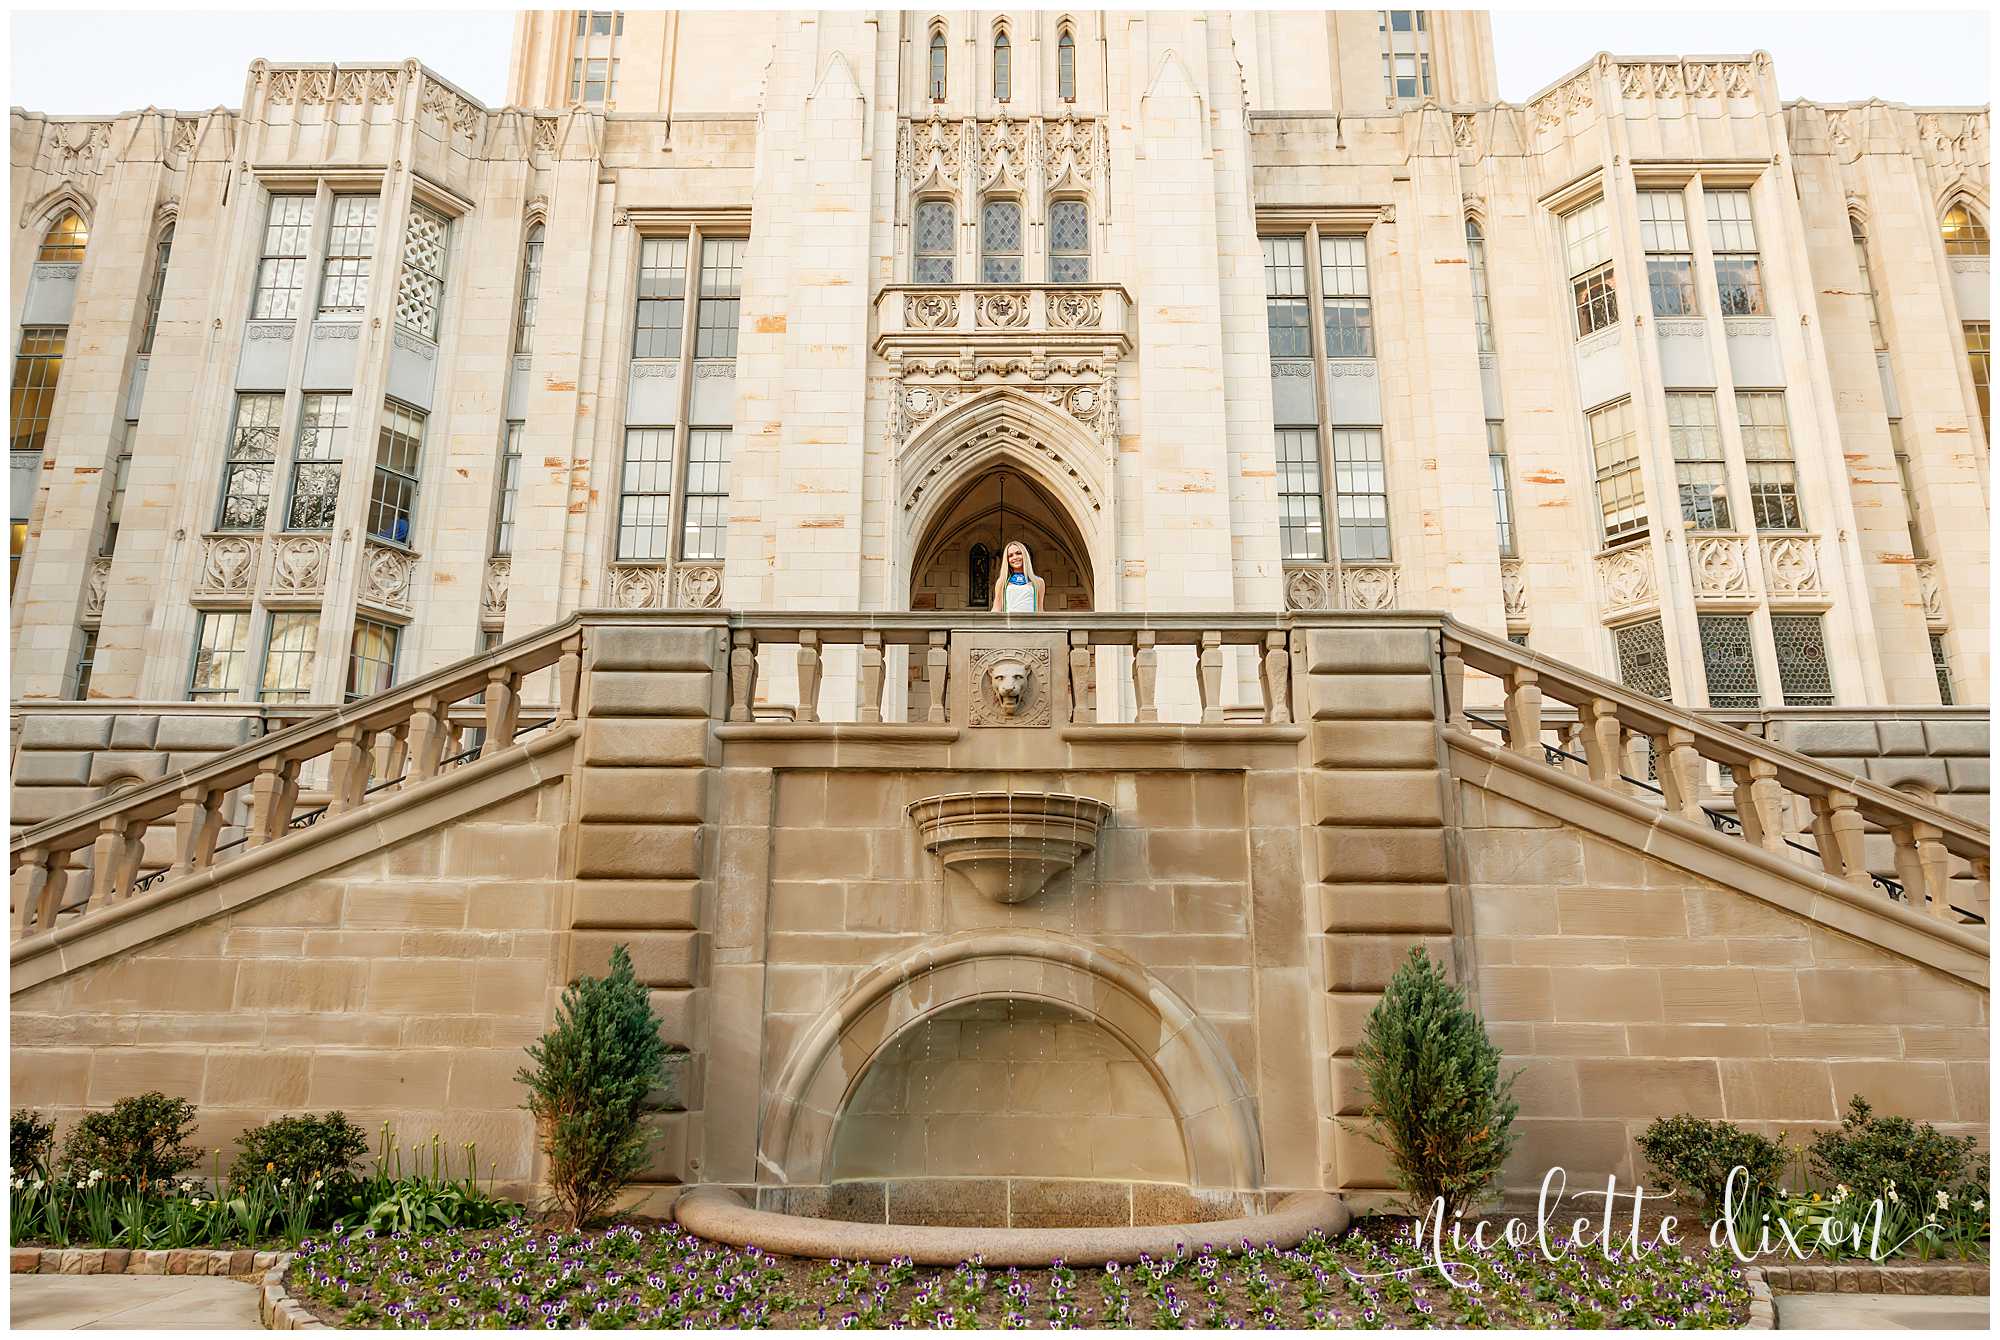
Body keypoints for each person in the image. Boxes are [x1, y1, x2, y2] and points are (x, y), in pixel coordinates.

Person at [989, 539, 1045, 613]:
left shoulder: (1038, 582)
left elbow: (1040, 610)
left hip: (1030, 623)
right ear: (1007, 560)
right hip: (1010, 623)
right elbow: (996, 609)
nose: (1015, 557)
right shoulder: (1002, 582)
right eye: (1010, 555)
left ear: (1025, 555)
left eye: (1018, 553)